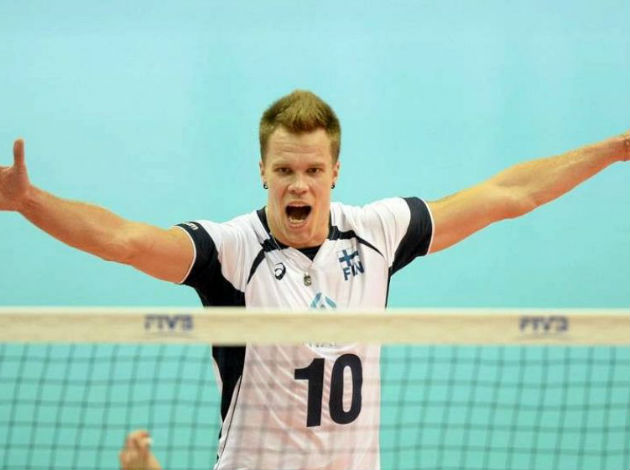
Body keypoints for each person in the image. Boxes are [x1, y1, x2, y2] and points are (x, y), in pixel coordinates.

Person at [1, 90, 628, 470]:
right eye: (284, 170)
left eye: (311, 170)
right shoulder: (231, 252)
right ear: (262, 172)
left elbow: (508, 194)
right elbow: (125, 241)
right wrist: (30, 202)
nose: (298, 184)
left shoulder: (377, 232)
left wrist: (617, 148)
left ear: (334, 173)